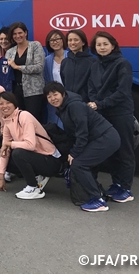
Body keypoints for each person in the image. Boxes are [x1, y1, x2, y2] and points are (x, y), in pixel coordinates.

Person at [44, 82, 121, 212]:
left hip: (106, 138)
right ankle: (95, 194)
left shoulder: (74, 106)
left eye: (55, 94)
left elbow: (82, 132)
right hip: (97, 139)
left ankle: (97, 200)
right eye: (49, 96)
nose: (53, 98)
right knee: (82, 163)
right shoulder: (63, 108)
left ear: (63, 94)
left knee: (79, 164)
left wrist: (74, 153)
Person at [88, 31, 135, 203]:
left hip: (120, 112)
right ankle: (116, 183)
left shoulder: (123, 64)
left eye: (105, 44)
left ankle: (126, 188)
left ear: (113, 45)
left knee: (124, 149)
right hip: (103, 113)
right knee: (112, 149)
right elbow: (91, 87)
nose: (102, 47)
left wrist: (100, 104)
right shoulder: (95, 65)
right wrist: (95, 102)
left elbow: (122, 92)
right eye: (99, 45)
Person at [0, 92, 61, 200]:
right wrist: (1, 177)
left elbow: (30, 145)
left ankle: (33, 187)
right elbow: (5, 151)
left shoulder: (24, 116)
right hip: (36, 157)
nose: (4, 106)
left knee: (18, 153)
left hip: (51, 160)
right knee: (0, 159)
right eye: (1, 103)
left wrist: (9, 144)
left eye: (8, 102)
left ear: (14, 104)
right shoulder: (7, 121)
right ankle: (37, 176)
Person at [5, 22, 45, 122]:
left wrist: (18, 67)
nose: (18, 36)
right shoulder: (10, 51)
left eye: (20, 33)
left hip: (34, 91)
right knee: (19, 121)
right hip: (16, 91)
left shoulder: (35, 45)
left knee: (33, 121)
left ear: (26, 33)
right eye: (14, 34)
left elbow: (39, 67)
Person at [60, 29, 96, 102]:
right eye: (70, 40)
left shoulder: (92, 62)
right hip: (69, 103)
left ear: (83, 42)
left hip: (86, 104)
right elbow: (64, 82)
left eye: (76, 40)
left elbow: (95, 85)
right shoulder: (65, 62)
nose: (72, 43)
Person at [43, 29, 68, 125]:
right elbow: (46, 80)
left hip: (68, 96)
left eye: (58, 39)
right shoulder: (47, 60)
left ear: (63, 40)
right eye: (52, 40)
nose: (55, 42)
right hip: (54, 98)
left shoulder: (70, 56)